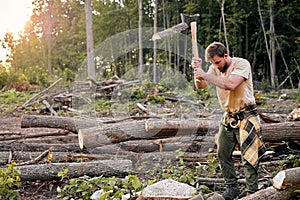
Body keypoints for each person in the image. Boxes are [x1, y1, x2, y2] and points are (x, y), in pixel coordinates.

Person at [192, 42, 266, 199]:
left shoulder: (241, 64)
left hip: (247, 116)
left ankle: (252, 192)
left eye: (218, 62)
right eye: (213, 63)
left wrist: (205, 74)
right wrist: (197, 72)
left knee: (249, 157)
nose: (216, 66)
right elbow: (201, 85)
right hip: (229, 116)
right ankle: (232, 188)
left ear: (225, 56)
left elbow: (231, 84)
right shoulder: (214, 69)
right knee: (223, 153)